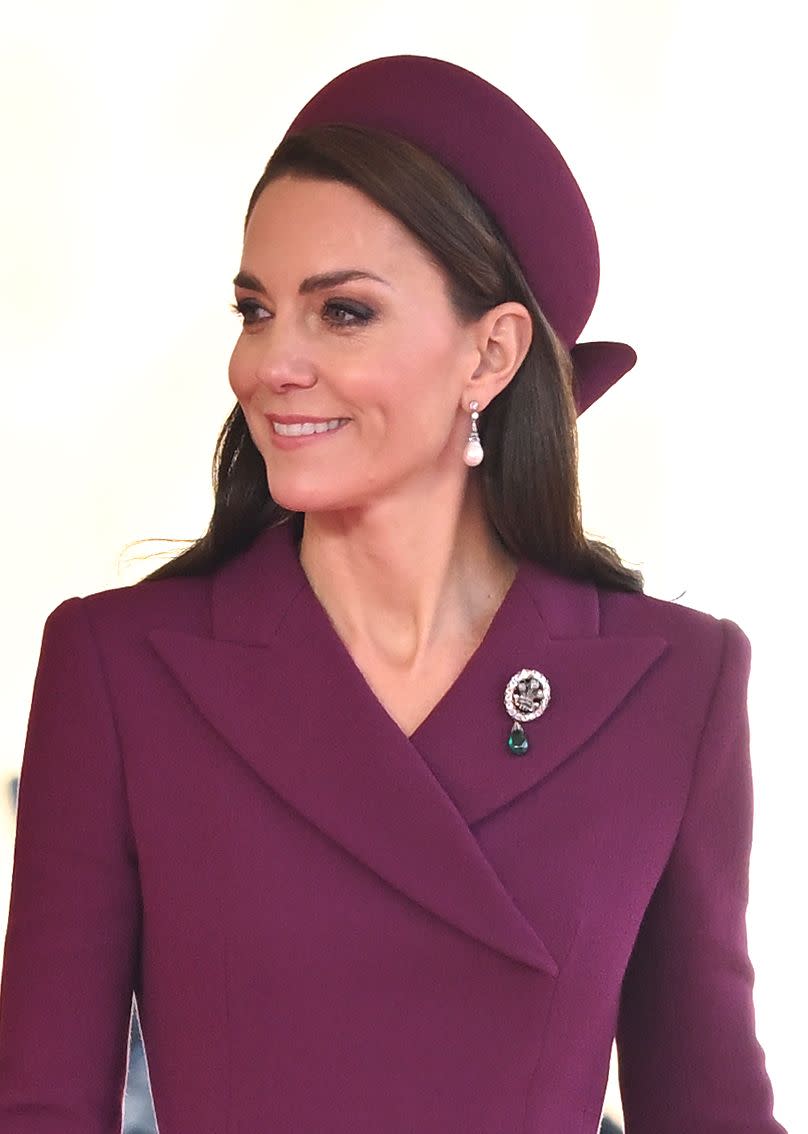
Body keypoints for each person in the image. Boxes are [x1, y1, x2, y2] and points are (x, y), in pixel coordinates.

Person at [0, 54, 787, 1134]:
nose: (267, 363)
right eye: (256, 308)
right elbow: (41, 1107)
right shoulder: (119, 664)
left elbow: (709, 1111)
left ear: (491, 352)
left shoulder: (673, 684)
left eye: (343, 315)